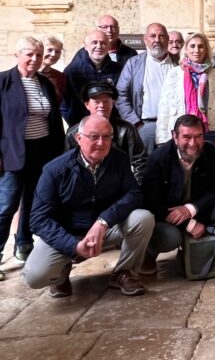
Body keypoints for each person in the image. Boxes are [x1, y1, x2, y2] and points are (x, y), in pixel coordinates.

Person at [24, 115, 153, 297]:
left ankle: (124, 272)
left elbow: (134, 194)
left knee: (143, 218)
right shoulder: (54, 170)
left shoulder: (119, 160)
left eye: (107, 137)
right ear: (78, 138)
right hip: (68, 233)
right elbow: (38, 220)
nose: (101, 143)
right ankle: (61, 276)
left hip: (105, 229)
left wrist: (103, 221)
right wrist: (73, 245)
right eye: (94, 136)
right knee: (35, 276)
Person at [0, 37, 65, 275]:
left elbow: (54, 120)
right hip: (13, 154)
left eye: (38, 55)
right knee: (6, 206)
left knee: (33, 202)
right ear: (17, 55)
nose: (35, 59)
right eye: (29, 54)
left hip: (43, 153)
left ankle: (24, 246)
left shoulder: (45, 84)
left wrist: (58, 156)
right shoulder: (3, 81)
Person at [140, 114, 215, 274]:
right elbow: (152, 201)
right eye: (187, 137)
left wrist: (191, 209)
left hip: (198, 210)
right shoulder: (159, 158)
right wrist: (188, 224)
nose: (193, 143)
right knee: (170, 237)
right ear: (174, 137)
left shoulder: (210, 153)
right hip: (168, 217)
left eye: (198, 137)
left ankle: (209, 248)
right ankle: (150, 254)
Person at [155, 33, 215, 146]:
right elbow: (164, 107)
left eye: (201, 46)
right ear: (185, 49)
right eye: (192, 46)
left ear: (206, 50)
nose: (197, 50)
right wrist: (162, 139)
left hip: (210, 132)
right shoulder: (174, 73)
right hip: (181, 131)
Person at [116, 22, 177, 154]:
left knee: (170, 166)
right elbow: (120, 94)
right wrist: (134, 122)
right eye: (152, 36)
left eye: (161, 36)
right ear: (145, 39)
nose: (157, 40)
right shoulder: (134, 63)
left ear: (167, 39)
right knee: (144, 167)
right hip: (145, 126)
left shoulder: (178, 63)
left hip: (173, 126)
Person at [66, 81, 146, 180]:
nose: (102, 105)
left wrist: (134, 188)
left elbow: (140, 161)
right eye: (97, 102)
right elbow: (69, 165)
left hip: (121, 183)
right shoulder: (73, 133)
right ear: (87, 104)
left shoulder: (127, 129)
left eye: (106, 101)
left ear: (113, 103)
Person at [62, 29, 123, 125]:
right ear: (86, 46)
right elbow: (63, 101)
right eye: (94, 43)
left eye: (103, 43)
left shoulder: (119, 70)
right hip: (80, 125)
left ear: (108, 47)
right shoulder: (72, 70)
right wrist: (72, 120)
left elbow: (123, 97)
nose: (99, 46)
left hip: (112, 125)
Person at [38, 35, 66, 105]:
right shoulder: (27, 74)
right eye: (50, 50)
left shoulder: (60, 77)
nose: (53, 54)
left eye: (57, 52)